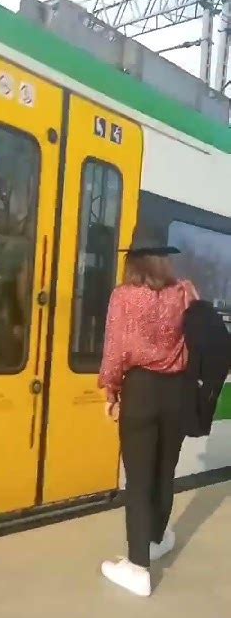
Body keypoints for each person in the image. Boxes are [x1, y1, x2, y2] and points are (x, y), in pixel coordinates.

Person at [98, 226, 198, 597]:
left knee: (139, 479)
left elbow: (114, 351)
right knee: (164, 472)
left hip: (140, 391)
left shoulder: (123, 296)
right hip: (177, 392)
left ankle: (138, 566)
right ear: (163, 259)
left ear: (134, 261)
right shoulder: (183, 292)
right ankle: (157, 539)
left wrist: (111, 391)